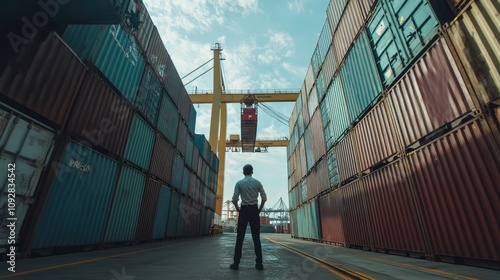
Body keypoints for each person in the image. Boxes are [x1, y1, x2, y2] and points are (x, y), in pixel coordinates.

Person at [230, 164, 267, 271]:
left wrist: (238, 209)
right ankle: (259, 264)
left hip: (244, 210)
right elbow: (264, 198)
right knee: (256, 238)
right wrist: (259, 209)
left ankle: (236, 263)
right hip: (254, 209)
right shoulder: (258, 183)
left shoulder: (239, 183)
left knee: (239, 238)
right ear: (252, 172)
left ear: (243, 172)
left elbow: (234, 199)